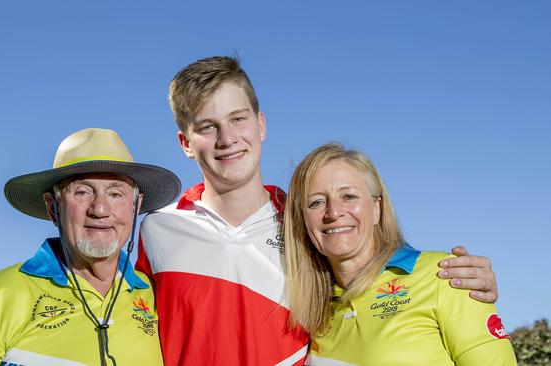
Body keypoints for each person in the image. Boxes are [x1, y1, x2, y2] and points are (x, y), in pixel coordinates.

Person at [135, 55, 500, 365]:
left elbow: (372, 272)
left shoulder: (305, 224)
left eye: (237, 119)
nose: (227, 138)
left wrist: (457, 280)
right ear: (185, 143)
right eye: (207, 127)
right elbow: (130, 321)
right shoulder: (158, 229)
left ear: (260, 125)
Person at [0, 128, 181, 366]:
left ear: (136, 206)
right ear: (53, 207)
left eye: (115, 194)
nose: (100, 210)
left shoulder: (160, 298)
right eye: (82, 192)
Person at [283, 143, 516, 365]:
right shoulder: (313, 314)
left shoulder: (445, 274)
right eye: (316, 202)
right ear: (302, 220)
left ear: (377, 209)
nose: (333, 212)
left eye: (349, 196)